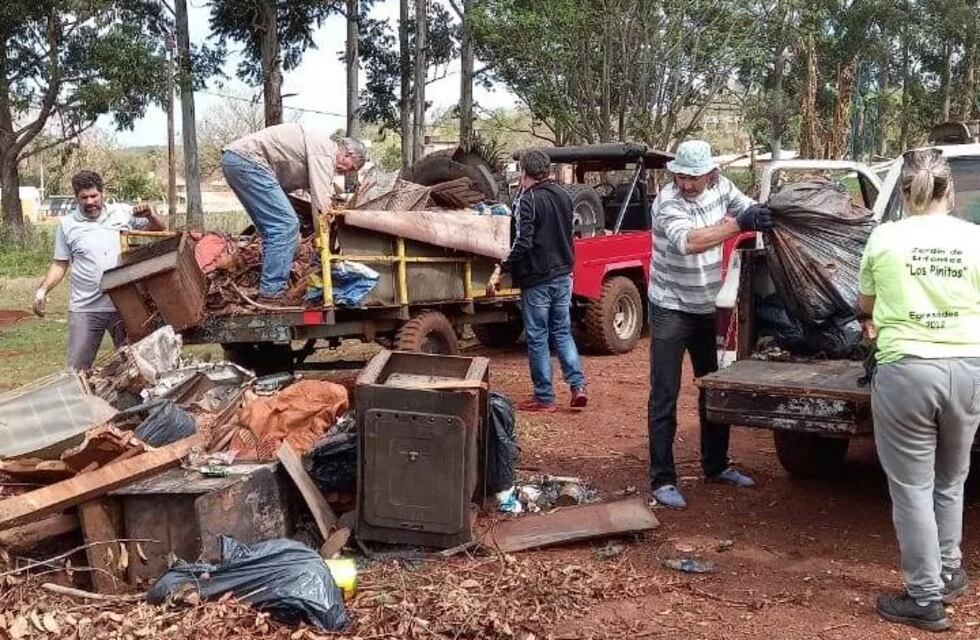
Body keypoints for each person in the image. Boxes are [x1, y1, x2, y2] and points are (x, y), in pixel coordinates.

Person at [858, 149, 980, 632]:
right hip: (969, 369)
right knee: (951, 480)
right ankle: (948, 572)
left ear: (906, 193)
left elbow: (865, 303)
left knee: (912, 488)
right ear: (950, 191)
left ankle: (925, 598)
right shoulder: (975, 238)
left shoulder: (885, 237)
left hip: (907, 371)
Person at [647, 140, 773, 509]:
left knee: (713, 388)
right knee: (665, 394)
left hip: (706, 306)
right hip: (670, 307)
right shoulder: (667, 202)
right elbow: (690, 242)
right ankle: (662, 479)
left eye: (694, 178)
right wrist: (737, 225)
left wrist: (763, 214)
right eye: (681, 177)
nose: (686, 184)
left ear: (711, 174)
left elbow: (749, 209)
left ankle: (716, 466)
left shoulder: (723, 188)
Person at [33, 170, 167, 370]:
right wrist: (42, 290)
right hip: (85, 308)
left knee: (138, 365)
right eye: (84, 197)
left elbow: (160, 228)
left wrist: (151, 214)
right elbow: (60, 263)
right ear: (76, 197)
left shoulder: (123, 213)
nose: (90, 202)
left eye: (94, 196)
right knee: (77, 368)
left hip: (124, 303)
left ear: (102, 193)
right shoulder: (68, 224)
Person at [222, 125, 366, 305]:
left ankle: (268, 285)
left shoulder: (320, 150)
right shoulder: (326, 153)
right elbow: (321, 202)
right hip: (248, 161)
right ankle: (272, 293)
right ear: (347, 154)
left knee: (274, 230)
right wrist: (325, 237)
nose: (345, 173)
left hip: (236, 160)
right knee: (286, 226)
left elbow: (305, 195)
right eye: (351, 168)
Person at [491, 148, 587, 412]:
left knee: (537, 336)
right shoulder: (564, 195)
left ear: (524, 172)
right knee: (562, 332)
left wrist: (503, 266)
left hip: (538, 279)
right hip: (563, 275)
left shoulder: (528, 200)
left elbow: (523, 242)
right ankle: (578, 386)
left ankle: (544, 397)